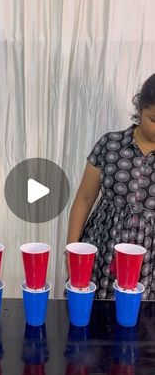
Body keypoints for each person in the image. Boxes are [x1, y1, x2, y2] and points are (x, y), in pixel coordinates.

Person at [66, 73, 155, 300]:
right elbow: (84, 198)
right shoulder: (110, 144)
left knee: (140, 324)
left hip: (148, 259)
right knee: (92, 319)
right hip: (103, 246)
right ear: (140, 109)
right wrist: (72, 250)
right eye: (153, 119)